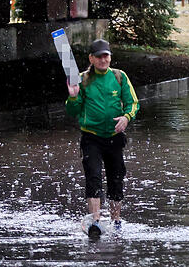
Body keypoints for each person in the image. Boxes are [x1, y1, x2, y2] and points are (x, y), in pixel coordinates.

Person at [66, 38, 139, 238]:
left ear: (110, 57)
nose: (103, 60)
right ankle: (95, 223)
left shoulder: (119, 77)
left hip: (115, 138)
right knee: (94, 178)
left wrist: (126, 117)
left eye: (106, 56)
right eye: (98, 56)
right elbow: (72, 110)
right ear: (91, 58)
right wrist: (73, 96)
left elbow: (133, 103)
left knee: (116, 179)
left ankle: (116, 222)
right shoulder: (81, 79)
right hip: (91, 138)